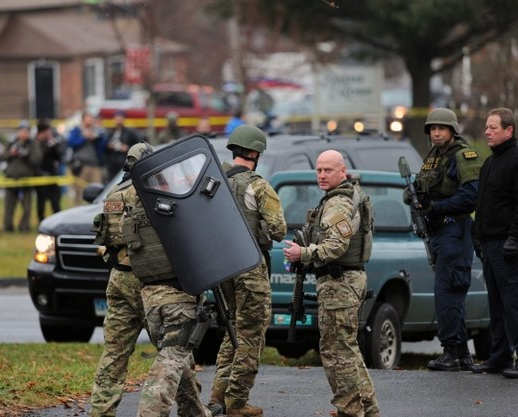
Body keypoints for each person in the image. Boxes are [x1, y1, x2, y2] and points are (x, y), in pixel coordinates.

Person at [120, 146, 220, 417]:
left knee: (179, 360)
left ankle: (195, 412)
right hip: (177, 297)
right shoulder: (172, 206)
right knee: (171, 361)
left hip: (151, 300)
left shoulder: (134, 208)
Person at [283, 150, 379, 417]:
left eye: (328, 170)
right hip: (345, 281)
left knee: (337, 353)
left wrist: (302, 254)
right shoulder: (343, 197)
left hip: (340, 283)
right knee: (347, 349)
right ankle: (367, 408)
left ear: (342, 172)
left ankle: (350, 409)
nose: (322, 175)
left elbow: (337, 245)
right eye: (319, 170)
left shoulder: (338, 203)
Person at [208, 125, 286, 417]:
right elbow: (279, 230)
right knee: (252, 334)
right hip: (251, 266)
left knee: (233, 330)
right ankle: (237, 402)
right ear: (255, 153)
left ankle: (218, 394)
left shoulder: (213, 183)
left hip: (222, 267)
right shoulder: (258, 186)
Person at [404, 108, 481, 371]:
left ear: (452, 130)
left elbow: (472, 196)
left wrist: (436, 207)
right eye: (432, 129)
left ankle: (450, 351)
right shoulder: (433, 157)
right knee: (450, 292)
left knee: (447, 292)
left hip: (454, 230)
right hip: (439, 232)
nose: (436, 132)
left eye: (442, 128)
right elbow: (422, 186)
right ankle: (460, 353)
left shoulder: (463, 155)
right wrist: (415, 195)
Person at [471, 107, 518, 378]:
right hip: (490, 246)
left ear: (509, 130)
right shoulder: (490, 163)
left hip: (512, 248)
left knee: (517, 304)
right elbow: (483, 204)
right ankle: (499, 357)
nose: (487, 131)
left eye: (493, 128)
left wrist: (514, 240)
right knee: (496, 305)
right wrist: (477, 234)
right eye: (486, 127)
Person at [88, 144, 148, 417]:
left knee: (114, 351)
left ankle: (101, 411)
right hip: (147, 280)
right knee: (174, 352)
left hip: (117, 278)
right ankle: (190, 407)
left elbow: (105, 239)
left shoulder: (114, 194)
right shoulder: (147, 192)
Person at [2, 121, 43, 232]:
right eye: (21, 130)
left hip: (26, 179)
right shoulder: (11, 143)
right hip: (11, 178)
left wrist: (26, 155)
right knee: (9, 206)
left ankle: (24, 227)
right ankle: (8, 227)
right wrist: (11, 153)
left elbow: (37, 159)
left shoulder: (33, 144)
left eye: (26, 131)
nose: (23, 133)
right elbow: (2, 156)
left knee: (27, 207)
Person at [68, 112, 107, 205]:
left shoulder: (97, 130)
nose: (90, 121)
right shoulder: (77, 130)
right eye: (87, 119)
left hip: (95, 165)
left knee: (98, 191)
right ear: (83, 120)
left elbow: (103, 147)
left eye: (91, 119)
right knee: (79, 192)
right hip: (81, 166)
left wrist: (97, 138)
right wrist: (84, 137)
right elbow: (71, 143)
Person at [35, 120, 64, 222]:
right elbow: (38, 158)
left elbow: (58, 156)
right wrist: (46, 146)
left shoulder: (52, 142)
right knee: (41, 201)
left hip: (52, 174)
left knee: (55, 200)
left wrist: (54, 146)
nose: (49, 133)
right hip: (40, 175)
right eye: (46, 131)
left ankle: (58, 220)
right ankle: (41, 220)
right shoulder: (36, 143)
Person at [104, 111, 144, 180]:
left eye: (120, 119)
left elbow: (139, 144)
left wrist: (127, 148)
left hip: (124, 162)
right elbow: (104, 147)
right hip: (112, 163)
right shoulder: (110, 132)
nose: (118, 121)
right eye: (116, 119)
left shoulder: (130, 132)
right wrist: (109, 147)